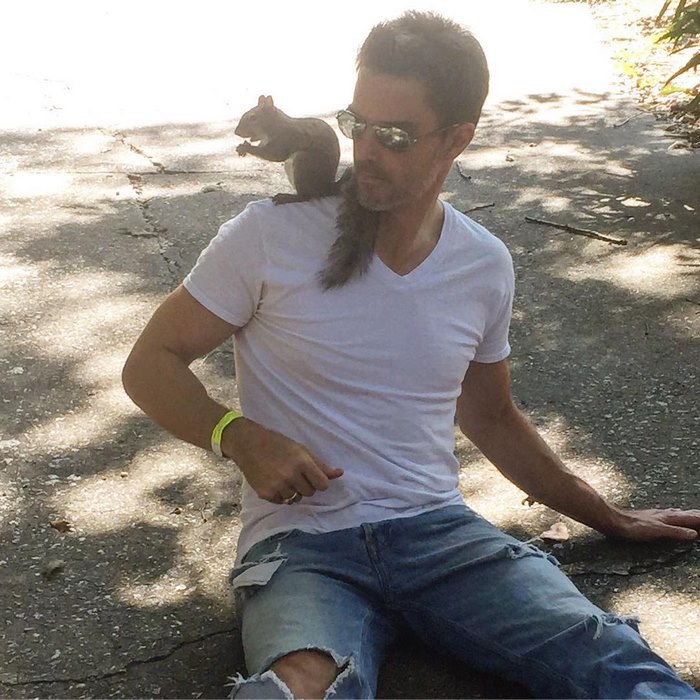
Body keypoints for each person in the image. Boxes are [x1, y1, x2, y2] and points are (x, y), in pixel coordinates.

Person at [122, 10, 700, 699]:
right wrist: (236, 435)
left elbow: (492, 416)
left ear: (457, 138)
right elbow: (149, 362)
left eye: (394, 135)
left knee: (614, 660)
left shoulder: (481, 263)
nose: (365, 150)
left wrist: (608, 516)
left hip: (440, 534)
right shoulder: (269, 235)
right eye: (356, 123)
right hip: (302, 548)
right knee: (300, 685)